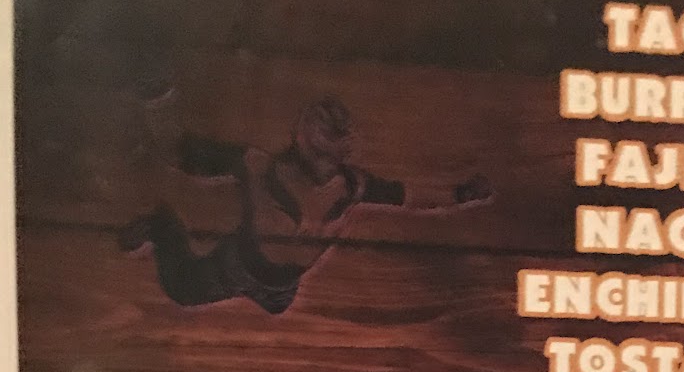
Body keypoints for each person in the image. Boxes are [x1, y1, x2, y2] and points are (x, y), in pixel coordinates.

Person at [120, 91, 494, 314]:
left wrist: (459, 196)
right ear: (301, 142)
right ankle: (160, 226)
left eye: (332, 155)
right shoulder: (258, 166)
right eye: (318, 153)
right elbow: (183, 153)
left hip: (283, 287)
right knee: (184, 290)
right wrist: (157, 97)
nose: (324, 166)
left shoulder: (353, 185)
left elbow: (409, 198)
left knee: (277, 305)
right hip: (240, 266)